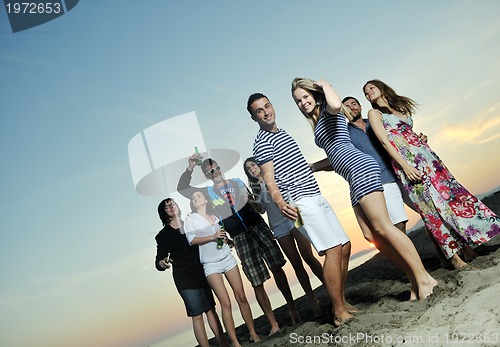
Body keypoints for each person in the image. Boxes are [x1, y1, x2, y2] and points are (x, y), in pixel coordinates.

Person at [291, 77, 438, 301]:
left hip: (361, 169)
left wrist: (325, 85)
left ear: (315, 95)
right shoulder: (319, 122)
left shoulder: (329, 112)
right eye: (298, 101)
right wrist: (312, 167)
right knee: (372, 235)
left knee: (385, 227)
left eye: (305, 97)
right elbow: (334, 158)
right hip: (351, 177)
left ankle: (425, 278)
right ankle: (414, 280)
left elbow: (336, 104)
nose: (302, 103)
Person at [363, 79, 500, 269]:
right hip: (409, 164)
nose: (368, 92)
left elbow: (404, 134)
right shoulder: (374, 113)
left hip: (428, 159)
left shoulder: (399, 110)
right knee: (430, 210)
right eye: (365, 92)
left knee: (450, 199)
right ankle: (453, 257)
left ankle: (467, 248)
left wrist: (419, 138)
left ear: (382, 87)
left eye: (371, 87)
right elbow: (385, 142)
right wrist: (405, 166)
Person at [248, 92, 354, 327]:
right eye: (259, 111)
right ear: (254, 117)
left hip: (316, 195)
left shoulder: (283, 133)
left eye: (267, 106)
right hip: (300, 201)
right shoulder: (262, 141)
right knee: (331, 250)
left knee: (345, 247)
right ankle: (338, 311)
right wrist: (280, 202)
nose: (266, 112)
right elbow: (268, 177)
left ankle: (342, 302)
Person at [177, 156, 300, 333]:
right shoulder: (207, 193)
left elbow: (256, 202)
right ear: (206, 175)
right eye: (211, 171)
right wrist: (190, 168)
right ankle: (273, 324)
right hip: (240, 237)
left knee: (277, 269)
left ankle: (293, 309)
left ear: (220, 167)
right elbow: (182, 188)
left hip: (258, 227)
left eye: (217, 168)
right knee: (256, 281)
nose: (216, 172)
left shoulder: (237, 182)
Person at [341, 96, 451, 268]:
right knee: (398, 225)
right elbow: (337, 159)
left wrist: (417, 139)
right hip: (381, 181)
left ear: (360, 106)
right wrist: (315, 166)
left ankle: (444, 257)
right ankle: (413, 268)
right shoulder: (345, 134)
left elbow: (399, 136)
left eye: (353, 104)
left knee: (429, 212)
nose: (351, 108)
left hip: (402, 173)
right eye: (346, 106)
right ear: (342, 111)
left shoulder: (375, 120)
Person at [244, 157, 324, 317]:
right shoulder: (256, 188)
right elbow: (261, 210)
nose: (251, 169)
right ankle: (313, 300)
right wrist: (252, 201)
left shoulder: (273, 175)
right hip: (278, 226)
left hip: (294, 217)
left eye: (252, 165)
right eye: (248, 169)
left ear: (258, 164)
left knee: (308, 256)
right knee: (296, 263)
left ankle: (330, 286)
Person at [184, 189, 259, 346]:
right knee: (226, 303)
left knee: (242, 297)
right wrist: (213, 237)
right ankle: (235, 342)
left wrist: (225, 239)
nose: (195, 198)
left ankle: (253, 333)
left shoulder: (215, 216)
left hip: (227, 258)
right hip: (211, 265)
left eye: (198, 196)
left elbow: (222, 234)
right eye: (193, 197)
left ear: (205, 199)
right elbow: (192, 240)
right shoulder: (191, 218)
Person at [154, 198, 229, 347]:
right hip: (184, 278)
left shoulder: (191, 223)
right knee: (197, 316)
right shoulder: (163, 235)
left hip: (202, 270)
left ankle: (223, 344)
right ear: (164, 213)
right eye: (167, 206)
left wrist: (224, 243)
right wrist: (163, 262)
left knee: (211, 310)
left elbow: (208, 239)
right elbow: (159, 261)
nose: (171, 207)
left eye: (172, 204)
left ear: (177, 207)